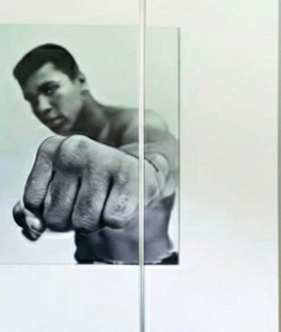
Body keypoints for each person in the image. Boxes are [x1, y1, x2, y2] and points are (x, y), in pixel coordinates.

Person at [10, 43, 178, 264]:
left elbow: (156, 164)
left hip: (150, 272)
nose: (41, 107)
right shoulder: (69, 154)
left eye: (49, 89)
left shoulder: (140, 124)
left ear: (80, 80)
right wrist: (43, 215)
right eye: (32, 100)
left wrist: (142, 168)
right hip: (87, 268)